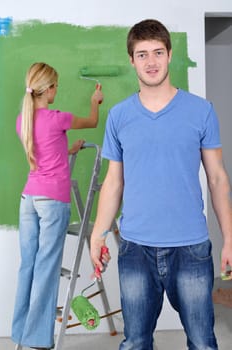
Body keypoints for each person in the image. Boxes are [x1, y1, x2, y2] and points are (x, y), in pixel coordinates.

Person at [90, 19, 232, 350]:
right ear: (131, 60)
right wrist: (98, 234)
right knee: (136, 341)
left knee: (202, 341)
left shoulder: (201, 111)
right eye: (142, 54)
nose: (151, 62)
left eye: (157, 52)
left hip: (191, 248)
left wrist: (229, 237)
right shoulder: (119, 116)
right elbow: (113, 182)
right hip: (135, 248)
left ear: (169, 54)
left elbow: (217, 177)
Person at [12, 62, 103, 350]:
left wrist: (69, 150)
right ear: (48, 88)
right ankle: (39, 340)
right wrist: (95, 102)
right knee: (47, 268)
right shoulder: (58, 117)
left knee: (28, 265)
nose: (57, 90)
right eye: (56, 85)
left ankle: (20, 332)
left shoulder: (22, 120)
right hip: (52, 202)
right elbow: (92, 122)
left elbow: (45, 150)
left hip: (29, 200)